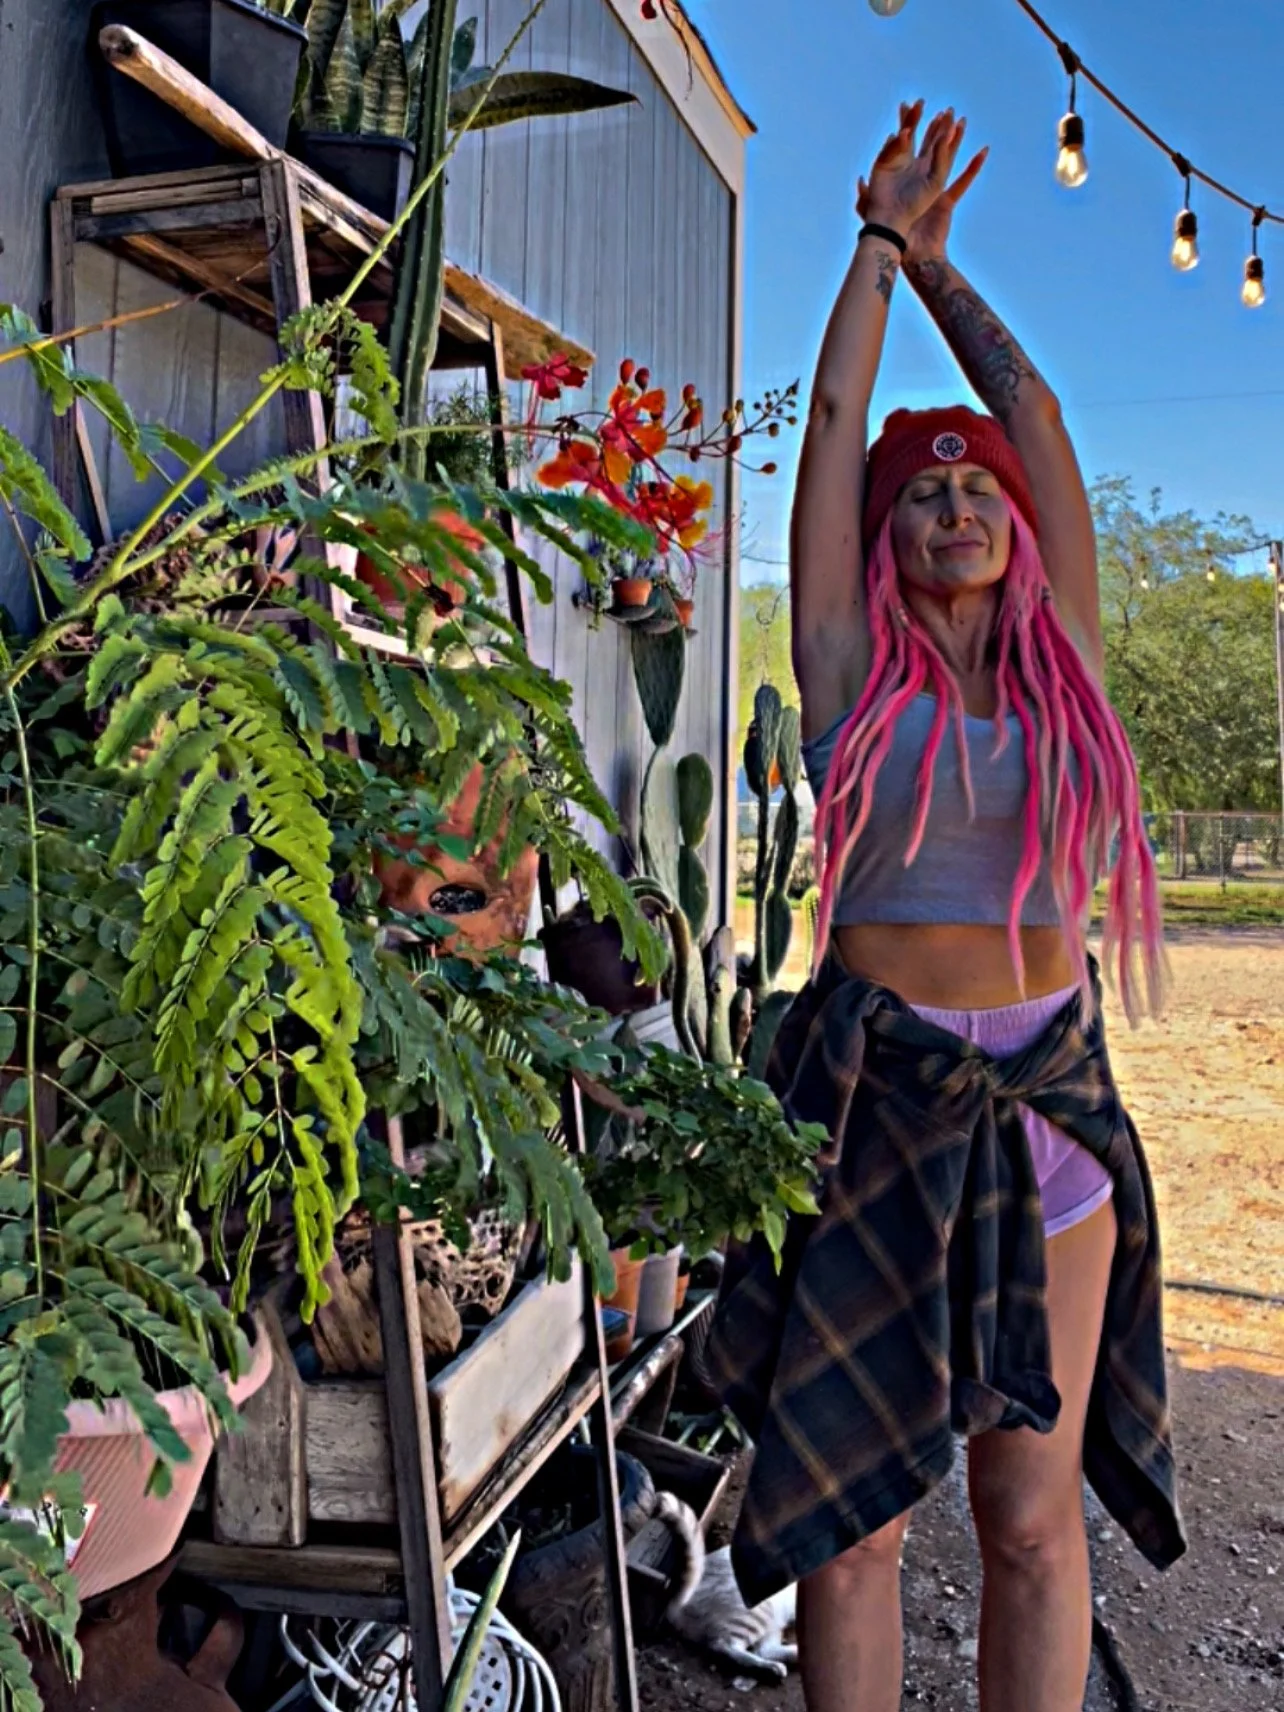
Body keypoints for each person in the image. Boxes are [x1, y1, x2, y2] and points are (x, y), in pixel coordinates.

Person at [705, 105, 1185, 1712]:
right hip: (883, 1108)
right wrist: (869, 251)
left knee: (1033, 1528)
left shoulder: (1072, 688)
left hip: (1050, 1108)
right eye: (922, 498)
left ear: (1021, 536)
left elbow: (1033, 410)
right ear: (885, 542)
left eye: (976, 494)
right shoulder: (843, 679)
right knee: (857, 1534)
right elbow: (836, 417)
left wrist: (947, 274)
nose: (955, 507)